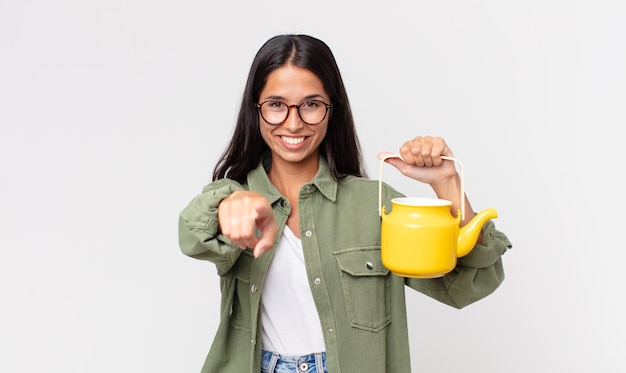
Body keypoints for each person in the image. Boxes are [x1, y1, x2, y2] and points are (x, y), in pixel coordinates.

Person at [178, 34, 512, 373]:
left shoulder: (376, 206)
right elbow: (192, 235)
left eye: (311, 104)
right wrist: (227, 205)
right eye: (276, 104)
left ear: (331, 111)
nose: (293, 123)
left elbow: (471, 285)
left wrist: (448, 183)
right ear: (256, 109)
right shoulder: (236, 198)